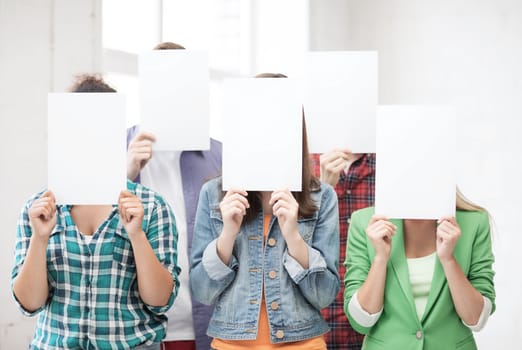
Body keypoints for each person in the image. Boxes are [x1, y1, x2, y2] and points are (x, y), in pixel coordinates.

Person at [11, 75, 180, 349]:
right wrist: (39, 239)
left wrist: (136, 235)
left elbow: (160, 300)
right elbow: (30, 304)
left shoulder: (151, 206)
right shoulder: (38, 209)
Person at [189, 73, 340, 349]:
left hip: (303, 342)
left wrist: (294, 237)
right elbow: (201, 291)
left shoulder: (323, 196)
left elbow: (325, 295)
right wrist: (227, 234)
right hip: (231, 343)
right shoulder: (213, 193)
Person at [127, 42, 222, 350]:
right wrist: (125, 174)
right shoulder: (117, 148)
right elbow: (87, 228)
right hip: (134, 326)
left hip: (206, 324)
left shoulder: (220, 155)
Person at [343, 189, 495, 349]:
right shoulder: (365, 222)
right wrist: (380, 258)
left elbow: (476, 319)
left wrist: (448, 260)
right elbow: (361, 321)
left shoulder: (474, 222)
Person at [311, 150, 375, 350]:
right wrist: (324, 189)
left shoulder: (391, 167)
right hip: (315, 321)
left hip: (375, 321)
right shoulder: (299, 167)